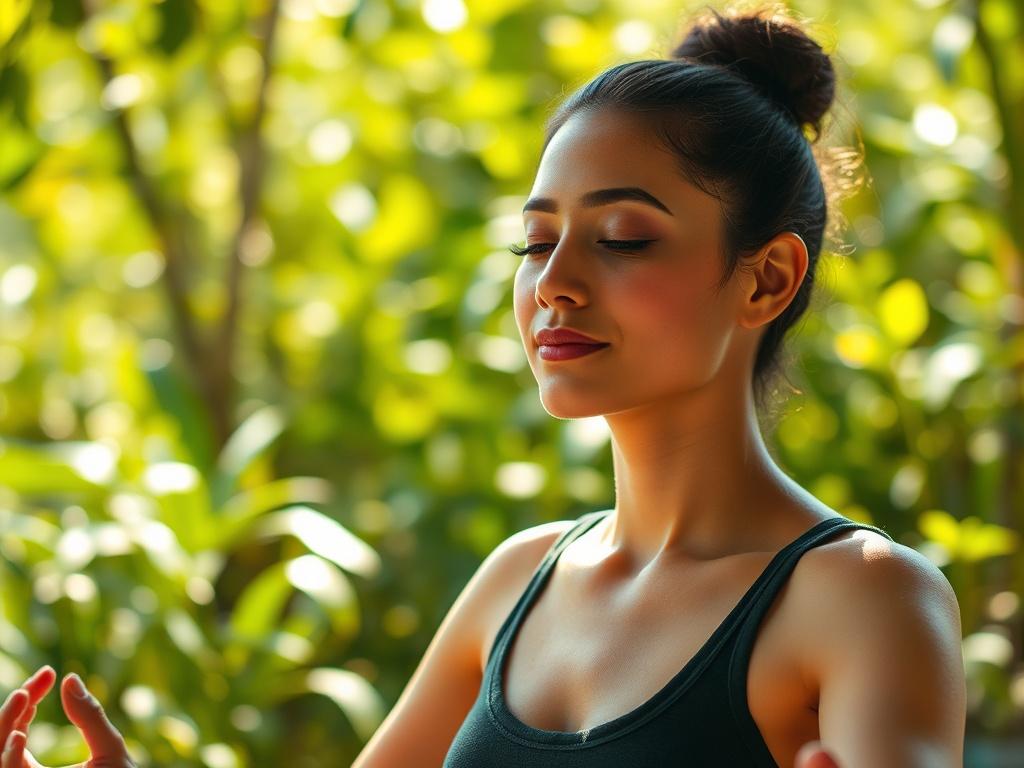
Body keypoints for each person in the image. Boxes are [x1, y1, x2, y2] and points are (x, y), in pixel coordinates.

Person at [353, 3, 966, 767]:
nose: (554, 284)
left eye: (622, 239)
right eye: (536, 241)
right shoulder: (517, 578)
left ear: (766, 280)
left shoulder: (862, 597)